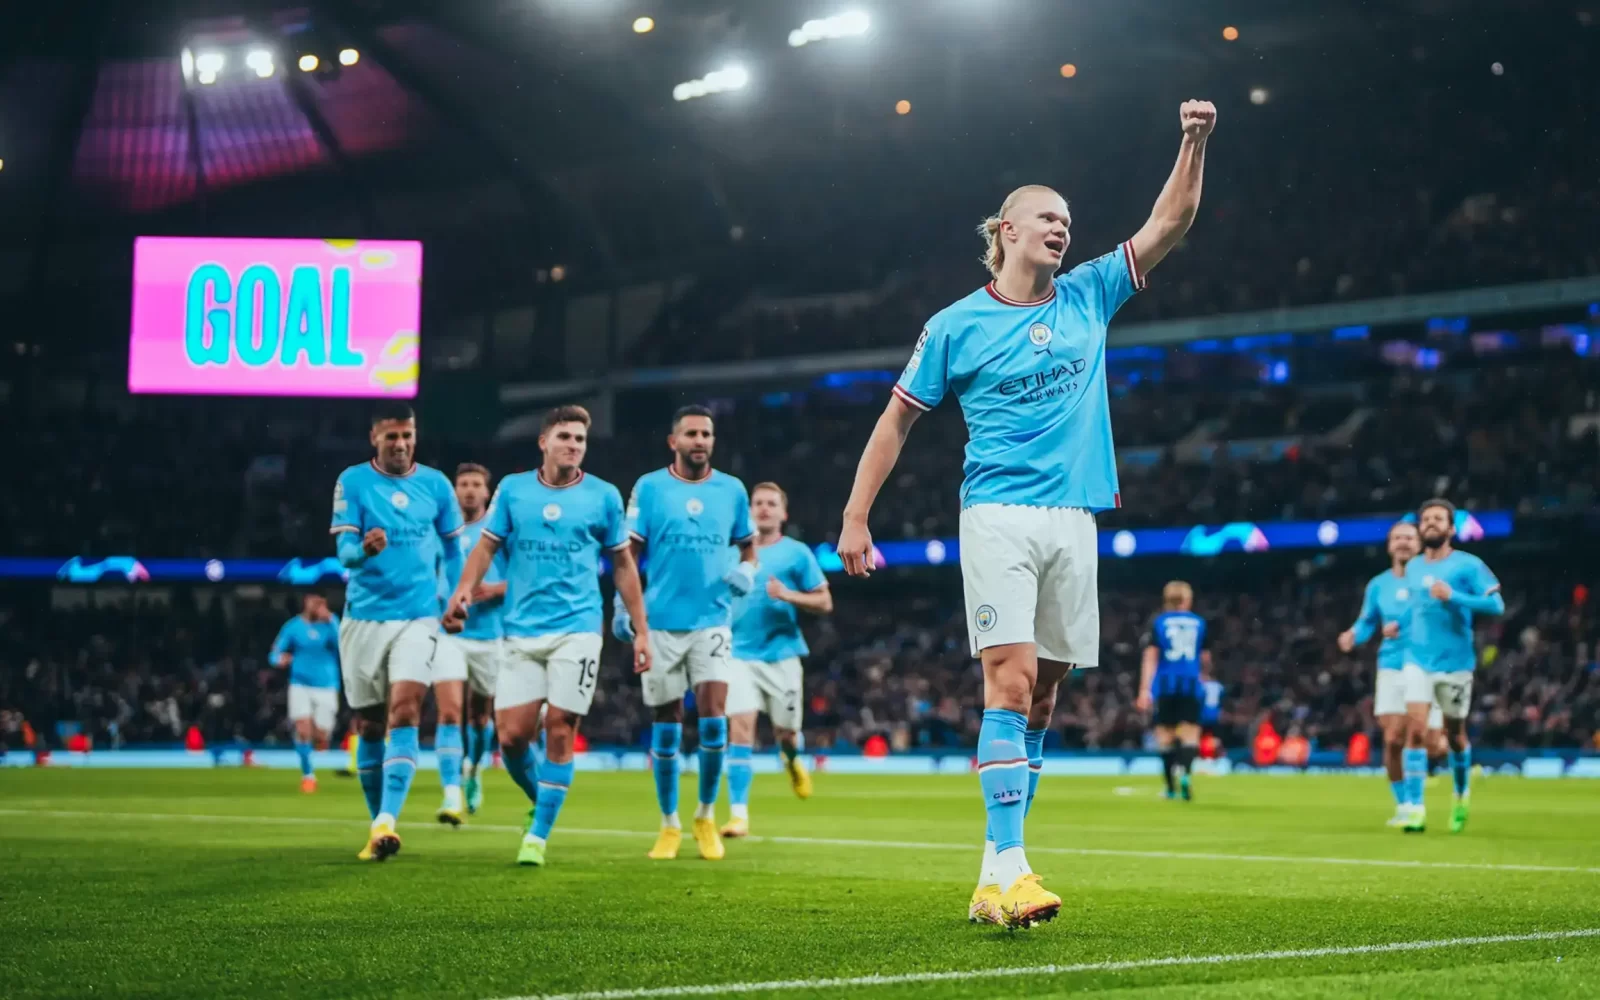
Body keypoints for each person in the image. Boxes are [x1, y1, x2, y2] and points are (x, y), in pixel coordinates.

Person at [837, 100, 1218, 928]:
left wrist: (1192, 141)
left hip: (1074, 517)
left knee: (1043, 699)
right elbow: (896, 418)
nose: (1063, 230)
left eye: (1070, 222)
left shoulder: (1087, 295)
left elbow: (1171, 220)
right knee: (1006, 681)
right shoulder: (954, 325)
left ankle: (990, 873)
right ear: (1006, 229)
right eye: (1048, 218)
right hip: (999, 512)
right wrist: (856, 517)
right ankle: (1013, 865)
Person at [446, 405, 648, 866]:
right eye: (565, 437)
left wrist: (642, 630)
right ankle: (543, 798)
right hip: (520, 632)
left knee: (561, 726)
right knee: (512, 738)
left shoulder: (602, 496)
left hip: (577, 630)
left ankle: (537, 836)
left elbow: (622, 565)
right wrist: (463, 589)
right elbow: (486, 546)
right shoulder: (514, 490)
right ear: (544, 442)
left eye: (580, 439)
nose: (574, 445)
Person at [614, 404, 757, 862]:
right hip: (660, 625)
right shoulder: (650, 488)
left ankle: (705, 814)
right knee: (667, 723)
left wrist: (749, 571)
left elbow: (749, 547)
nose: (700, 440)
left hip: (712, 622)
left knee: (714, 717)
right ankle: (669, 823)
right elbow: (628, 554)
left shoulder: (732, 490)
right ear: (673, 441)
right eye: (692, 433)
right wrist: (623, 605)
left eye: (707, 434)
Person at [331, 403, 466, 861]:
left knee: (405, 711)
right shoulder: (353, 481)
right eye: (392, 436)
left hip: (418, 617)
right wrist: (362, 550)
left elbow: (453, 552)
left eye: (407, 434)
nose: (401, 444)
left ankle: (388, 818)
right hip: (364, 618)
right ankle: (378, 826)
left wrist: (456, 597)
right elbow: (344, 553)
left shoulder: (436, 485)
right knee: (369, 723)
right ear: (375, 438)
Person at [721, 482, 832, 838]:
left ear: (783, 513)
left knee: (786, 732)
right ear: (749, 510)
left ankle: (792, 757)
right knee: (740, 728)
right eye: (758, 503)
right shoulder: (731, 552)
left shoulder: (796, 554)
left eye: (772, 503)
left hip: (782, 655)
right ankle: (738, 814)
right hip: (737, 655)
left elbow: (825, 602)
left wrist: (788, 595)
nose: (764, 508)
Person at [1400, 498, 1503, 834]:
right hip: (1417, 660)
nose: (1431, 523)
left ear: (1451, 528)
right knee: (1414, 729)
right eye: (1426, 518)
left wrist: (1455, 597)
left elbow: (1496, 604)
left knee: (1456, 736)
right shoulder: (1413, 567)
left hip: (1455, 663)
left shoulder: (1468, 565)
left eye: (1438, 519)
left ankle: (1460, 794)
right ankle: (1415, 808)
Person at [1337, 521, 1447, 827]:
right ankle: (1408, 806)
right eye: (1397, 538)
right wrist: (1352, 635)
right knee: (1394, 738)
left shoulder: (1432, 578)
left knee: (1430, 741)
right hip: (1391, 666)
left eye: (1408, 538)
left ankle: (1442, 756)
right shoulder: (1378, 585)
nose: (1402, 543)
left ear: (1420, 543)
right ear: (1389, 545)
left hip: (1427, 665)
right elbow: (1367, 621)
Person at [449, 462, 507, 816]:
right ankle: (451, 786)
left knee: (479, 716)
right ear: (455, 490)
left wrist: (496, 588)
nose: (469, 490)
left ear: (487, 493)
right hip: (451, 634)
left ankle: (473, 768)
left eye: (475, 484)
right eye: (463, 484)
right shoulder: (446, 531)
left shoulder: (498, 532)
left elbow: (523, 577)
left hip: (488, 635)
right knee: (450, 710)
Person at [1137, 581, 1210, 802]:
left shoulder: (1159, 622)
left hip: (1166, 685)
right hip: (1191, 684)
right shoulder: (1199, 623)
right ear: (1187, 599)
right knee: (1189, 735)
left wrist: (1144, 690)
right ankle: (1186, 775)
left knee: (1165, 736)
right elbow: (1205, 659)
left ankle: (1170, 788)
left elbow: (1151, 656)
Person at [267, 593, 341, 793]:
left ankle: (315, 745)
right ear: (306, 603)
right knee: (302, 730)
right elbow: (275, 651)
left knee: (321, 735)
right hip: (300, 684)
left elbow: (344, 645)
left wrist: (332, 620)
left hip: (326, 685)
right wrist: (277, 660)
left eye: (321, 602)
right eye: (313, 601)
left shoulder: (330, 625)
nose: (317, 606)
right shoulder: (293, 626)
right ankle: (308, 775)